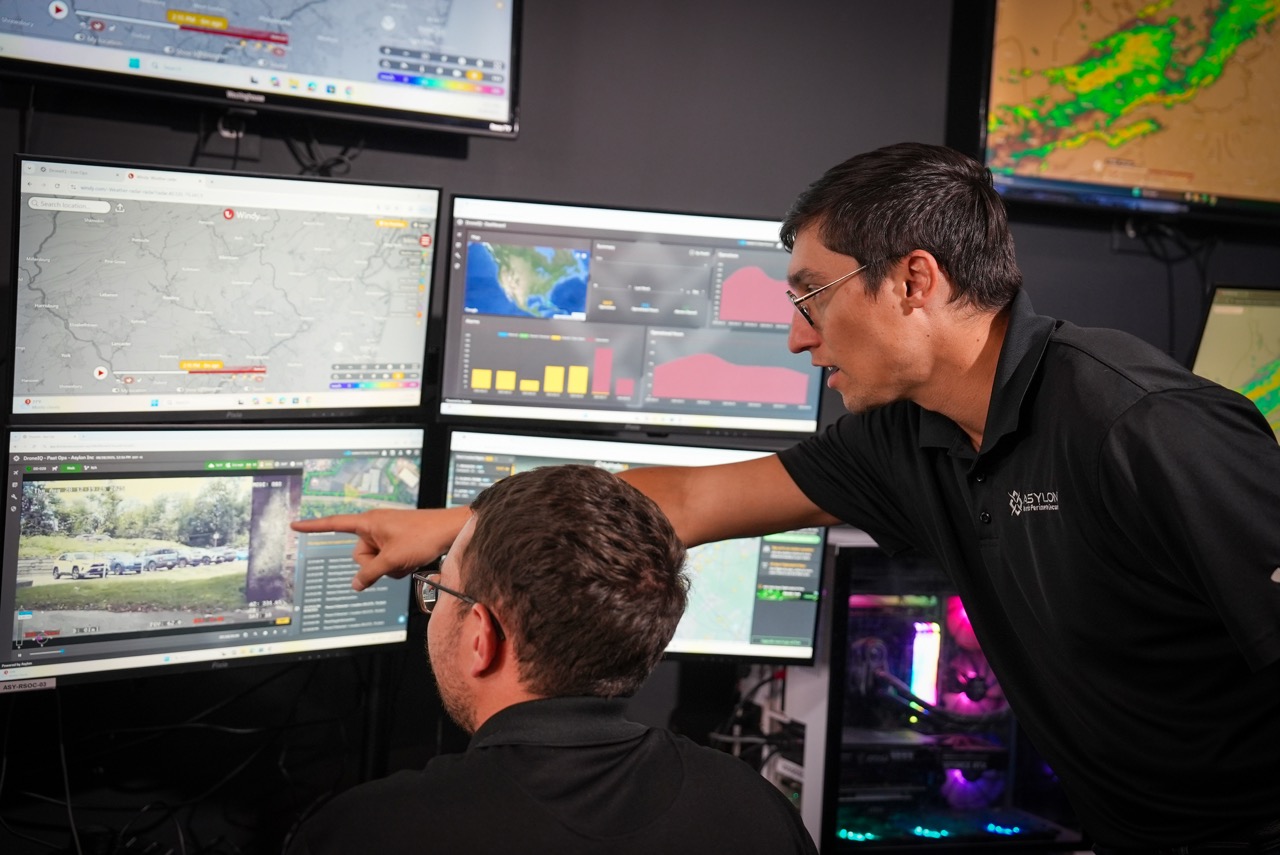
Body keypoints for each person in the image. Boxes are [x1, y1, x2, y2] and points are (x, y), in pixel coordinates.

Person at [293, 142, 1280, 854]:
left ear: (912, 281)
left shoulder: (1139, 425)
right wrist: (454, 528)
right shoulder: (910, 436)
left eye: (808, 295)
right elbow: (681, 500)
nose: (798, 337)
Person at [285, 464, 818, 855]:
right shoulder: (755, 809)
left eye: (439, 591)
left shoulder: (367, 832)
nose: (434, 607)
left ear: (482, 636)